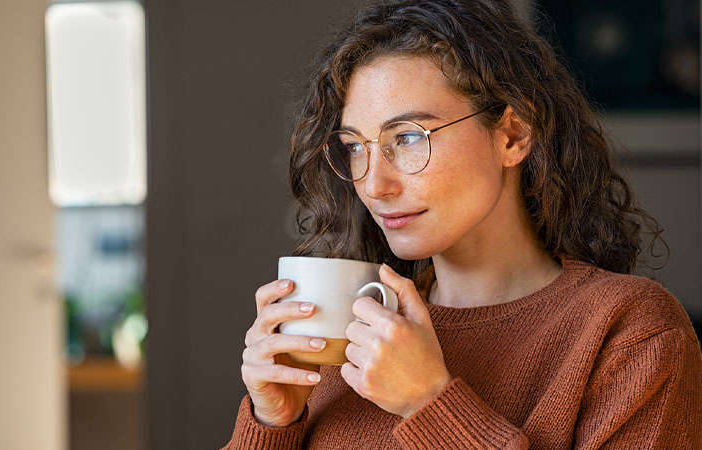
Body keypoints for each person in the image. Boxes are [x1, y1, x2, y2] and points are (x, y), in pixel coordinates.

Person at [223, 0, 702, 448]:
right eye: (354, 147)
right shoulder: (347, 329)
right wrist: (272, 425)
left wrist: (430, 403)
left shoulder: (630, 332)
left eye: (408, 137)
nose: (374, 184)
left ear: (512, 135)